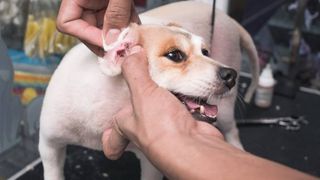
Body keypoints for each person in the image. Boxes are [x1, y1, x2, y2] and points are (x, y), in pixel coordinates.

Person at [56, 0, 316, 179]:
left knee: (223, 116)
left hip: (217, 25)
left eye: (205, 52)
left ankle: (233, 134)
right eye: (176, 55)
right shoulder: (73, 92)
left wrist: (180, 144)